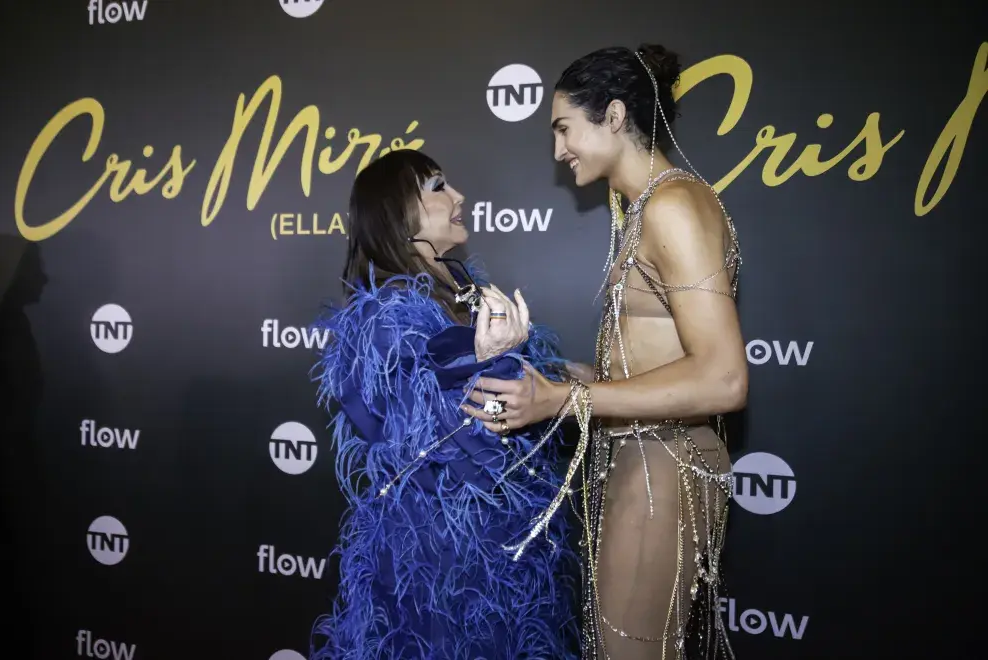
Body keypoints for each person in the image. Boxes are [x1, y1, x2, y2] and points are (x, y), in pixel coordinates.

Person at [463, 44, 748, 659]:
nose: (558, 150)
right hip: (640, 460)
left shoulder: (673, 206)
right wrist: (541, 372)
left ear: (614, 115)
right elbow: (645, 368)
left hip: (665, 466)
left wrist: (565, 399)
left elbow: (724, 379)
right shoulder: (645, 209)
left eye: (564, 128)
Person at [307, 149, 580, 659]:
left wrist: (575, 382)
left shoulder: (465, 291)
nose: (458, 197)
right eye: (438, 186)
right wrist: (492, 363)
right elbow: (442, 445)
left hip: (506, 551)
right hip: (439, 560)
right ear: (397, 211)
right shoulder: (383, 320)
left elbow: (532, 398)